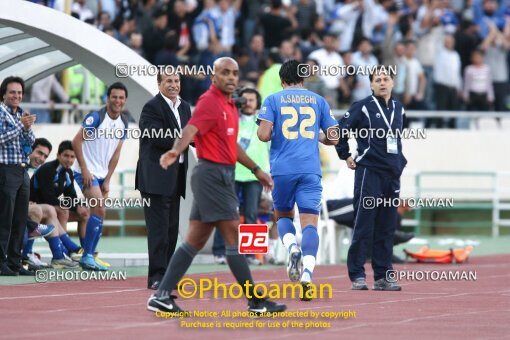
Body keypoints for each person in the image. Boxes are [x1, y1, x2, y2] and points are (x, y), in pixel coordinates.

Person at [147, 57, 286, 316]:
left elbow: (231, 147)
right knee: (233, 236)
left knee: (194, 241)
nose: (231, 77)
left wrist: (257, 170)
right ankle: (255, 301)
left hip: (218, 175)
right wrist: (176, 151)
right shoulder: (209, 101)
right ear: (214, 77)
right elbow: (190, 129)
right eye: (225, 73)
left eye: (235, 73)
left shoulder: (230, 105)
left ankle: (162, 296)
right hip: (213, 176)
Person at [257, 59, 339, 301]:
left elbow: (263, 135)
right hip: (310, 168)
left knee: (282, 216)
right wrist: (318, 135)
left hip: (282, 169)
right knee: (310, 223)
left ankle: (292, 247)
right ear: (303, 79)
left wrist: (274, 129)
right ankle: (307, 275)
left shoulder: (272, 99)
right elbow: (333, 138)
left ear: (282, 80)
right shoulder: (318, 101)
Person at [335, 65, 407, 291]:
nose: (382, 82)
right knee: (364, 223)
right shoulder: (363, 107)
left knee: (387, 225)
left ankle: (383, 276)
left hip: (392, 173)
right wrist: (345, 155)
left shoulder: (399, 108)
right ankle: (357, 274)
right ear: (371, 84)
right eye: (378, 79)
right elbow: (339, 130)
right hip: (369, 171)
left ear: (393, 82)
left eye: (386, 78)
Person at [136, 72, 191, 290]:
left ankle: (167, 275)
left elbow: (192, 133)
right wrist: (186, 138)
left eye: (176, 81)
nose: (173, 84)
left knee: (171, 229)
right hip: (155, 178)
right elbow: (156, 135)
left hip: (176, 176)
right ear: (159, 83)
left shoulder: (185, 107)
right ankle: (156, 276)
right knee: (159, 231)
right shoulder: (152, 107)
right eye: (168, 81)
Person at [72, 82, 129, 271]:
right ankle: (87, 256)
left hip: (102, 175)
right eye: (114, 97)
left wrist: (108, 178)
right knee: (100, 210)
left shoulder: (123, 123)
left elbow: (116, 154)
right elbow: (76, 141)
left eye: (121, 97)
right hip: (85, 172)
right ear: (107, 98)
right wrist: (84, 168)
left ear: (125, 100)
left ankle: (90, 255)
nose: (118, 101)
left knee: (99, 214)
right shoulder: (97, 117)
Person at [212, 87, 268, 266]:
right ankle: (220, 252)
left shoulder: (264, 123)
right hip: (232, 173)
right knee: (226, 213)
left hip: (254, 177)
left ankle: (251, 255)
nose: (248, 103)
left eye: (252, 100)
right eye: (245, 100)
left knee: (252, 214)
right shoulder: (232, 119)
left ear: (257, 103)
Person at [29, 140, 88, 266]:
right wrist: (69, 205)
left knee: (84, 213)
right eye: (66, 156)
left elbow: (71, 196)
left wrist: (78, 206)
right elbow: (48, 197)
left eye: (72, 157)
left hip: (49, 209)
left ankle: (86, 253)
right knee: (62, 210)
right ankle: (66, 250)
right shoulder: (48, 169)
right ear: (58, 155)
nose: (69, 160)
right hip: (35, 207)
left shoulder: (68, 173)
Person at [0, 76, 36, 276]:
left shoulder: (21, 114)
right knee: (5, 218)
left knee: (20, 219)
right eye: (12, 92)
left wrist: (27, 128)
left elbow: (30, 142)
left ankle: (14, 261)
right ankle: (0, 262)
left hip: (22, 170)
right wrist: (21, 126)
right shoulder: (0, 112)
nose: (17, 96)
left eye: (19, 93)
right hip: (5, 169)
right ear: (4, 94)